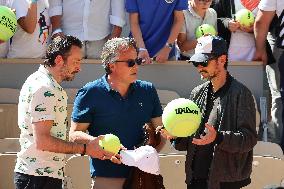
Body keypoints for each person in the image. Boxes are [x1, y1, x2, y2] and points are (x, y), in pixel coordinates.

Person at [14, 35, 114, 189]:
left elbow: (54, 135)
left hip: (42, 177)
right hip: (37, 179)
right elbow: (43, 141)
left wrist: (91, 142)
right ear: (59, 59)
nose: (79, 68)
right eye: (76, 61)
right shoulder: (44, 88)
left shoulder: (45, 83)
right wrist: (86, 149)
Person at [160, 35, 257, 189]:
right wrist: (176, 136)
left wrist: (218, 137)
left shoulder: (242, 94)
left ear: (222, 60)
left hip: (227, 183)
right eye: (196, 63)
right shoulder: (196, 93)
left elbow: (249, 139)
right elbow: (191, 142)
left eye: (203, 62)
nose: (199, 67)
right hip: (196, 180)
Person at [69, 37, 164, 189]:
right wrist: (99, 143)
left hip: (145, 179)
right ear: (111, 65)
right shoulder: (90, 92)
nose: (136, 67)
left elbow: (161, 132)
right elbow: (74, 135)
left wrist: (147, 153)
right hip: (107, 178)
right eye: (130, 63)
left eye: (137, 61)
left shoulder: (148, 90)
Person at [48, 0, 126, 59]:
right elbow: (55, 3)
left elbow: (118, 7)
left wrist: (113, 41)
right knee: (67, 77)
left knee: (99, 76)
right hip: (67, 38)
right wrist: (56, 30)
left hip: (102, 40)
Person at [254, 0, 284, 150]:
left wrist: (260, 50)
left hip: (280, 48)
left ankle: (279, 146)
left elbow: (260, 22)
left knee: (279, 94)